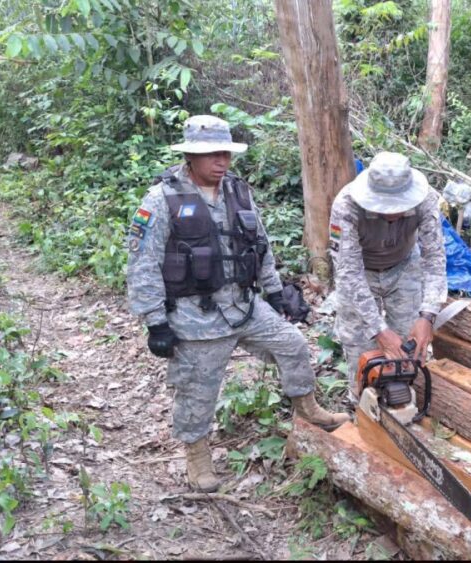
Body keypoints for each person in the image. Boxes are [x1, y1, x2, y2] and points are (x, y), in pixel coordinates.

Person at [126, 115, 350, 492]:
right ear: (190, 157)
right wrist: (155, 322)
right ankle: (197, 455)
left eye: (225, 153)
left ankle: (308, 409)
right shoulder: (161, 200)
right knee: (199, 389)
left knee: (292, 345)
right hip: (196, 315)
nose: (221, 161)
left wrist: (276, 292)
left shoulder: (238, 192)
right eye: (212, 154)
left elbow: (260, 246)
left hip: (244, 306)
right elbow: (142, 263)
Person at [328, 151, 447, 400]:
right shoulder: (347, 205)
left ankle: (407, 398)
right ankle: (360, 403)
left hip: (404, 266)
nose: (393, 213)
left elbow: (435, 261)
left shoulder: (426, 201)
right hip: (361, 273)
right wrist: (378, 330)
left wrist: (427, 315)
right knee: (361, 347)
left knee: (408, 346)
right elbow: (349, 273)